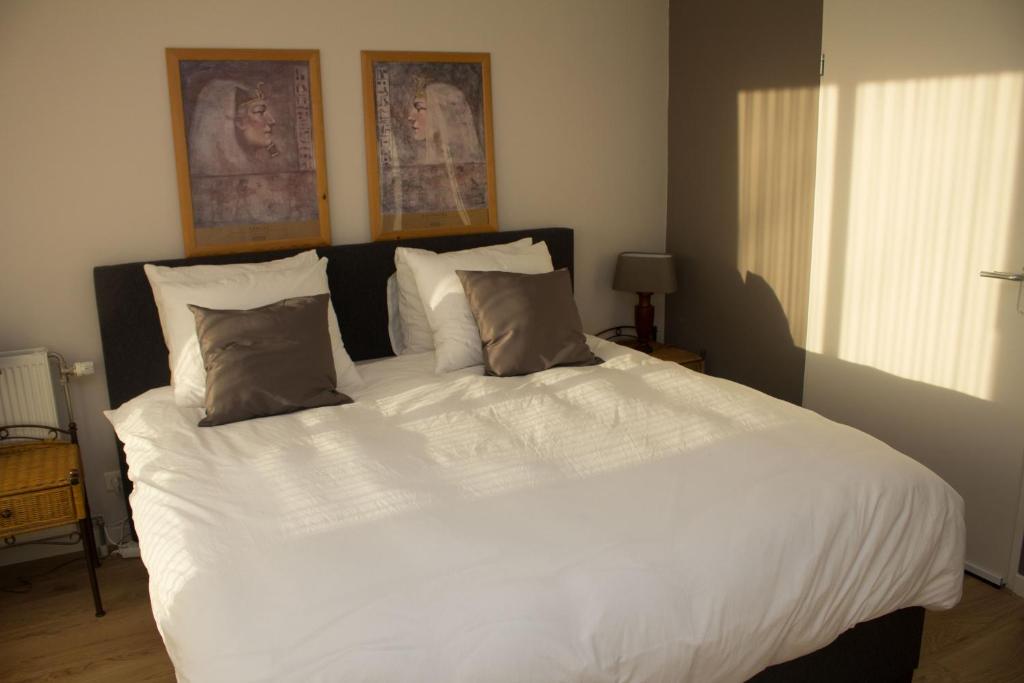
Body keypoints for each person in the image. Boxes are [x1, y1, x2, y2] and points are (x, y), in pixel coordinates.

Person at [404, 79, 485, 225]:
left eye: (420, 108)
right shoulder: (412, 173)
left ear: (443, 113)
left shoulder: (474, 173)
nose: (410, 117)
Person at [188, 80, 280, 176]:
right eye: (259, 112)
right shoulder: (213, 170)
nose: (272, 121)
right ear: (239, 122)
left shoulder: (258, 167)